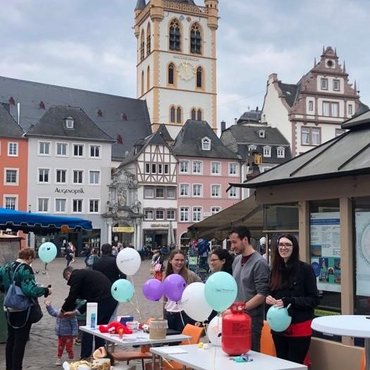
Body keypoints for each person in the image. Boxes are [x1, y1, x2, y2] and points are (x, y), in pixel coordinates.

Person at [265, 234, 319, 364]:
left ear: (294, 248)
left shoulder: (305, 269)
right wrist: (269, 299)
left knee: (295, 364)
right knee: (281, 363)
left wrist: (291, 301)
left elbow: (314, 299)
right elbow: (270, 291)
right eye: (281, 244)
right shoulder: (275, 270)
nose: (283, 248)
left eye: (288, 244)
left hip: (299, 326)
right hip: (278, 327)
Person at [0, 247, 52, 370]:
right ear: (29, 257)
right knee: (20, 341)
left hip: (9, 307)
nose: (31, 262)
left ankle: (9, 367)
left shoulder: (7, 266)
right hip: (22, 309)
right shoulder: (25, 268)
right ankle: (17, 367)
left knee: (11, 339)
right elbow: (30, 290)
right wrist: (46, 290)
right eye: (31, 259)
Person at [61, 266, 117, 360]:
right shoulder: (86, 275)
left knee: (89, 328)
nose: (69, 283)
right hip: (110, 300)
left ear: (68, 274)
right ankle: (100, 355)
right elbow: (91, 299)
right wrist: (76, 312)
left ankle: (85, 356)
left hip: (102, 300)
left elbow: (73, 294)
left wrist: (63, 310)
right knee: (100, 329)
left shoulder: (76, 275)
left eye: (67, 279)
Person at [229, 226, 270, 352]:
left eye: (234, 242)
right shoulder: (236, 260)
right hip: (235, 318)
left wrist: (241, 308)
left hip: (252, 321)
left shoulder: (259, 263)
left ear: (245, 240)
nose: (232, 246)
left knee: (250, 357)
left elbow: (262, 294)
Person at [163, 249, 202, 332]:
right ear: (170, 261)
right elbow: (165, 298)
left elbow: (200, 287)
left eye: (182, 260)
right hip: (170, 313)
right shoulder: (166, 276)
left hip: (185, 314)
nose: (179, 262)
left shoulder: (190, 275)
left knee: (184, 340)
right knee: (171, 341)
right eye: (177, 260)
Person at [44, 299, 79, 366]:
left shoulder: (71, 316)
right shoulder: (60, 312)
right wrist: (48, 306)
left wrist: (74, 334)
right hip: (60, 334)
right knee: (60, 347)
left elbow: (75, 325)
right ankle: (59, 358)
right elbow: (53, 312)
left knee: (69, 348)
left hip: (69, 335)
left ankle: (71, 358)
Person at [207, 247, 234, 322]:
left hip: (226, 312)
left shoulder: (229, 278)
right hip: (212, 311)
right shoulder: (212, 276)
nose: (211, 263)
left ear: (223, 261)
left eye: (214, 260)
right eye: (210, 260)